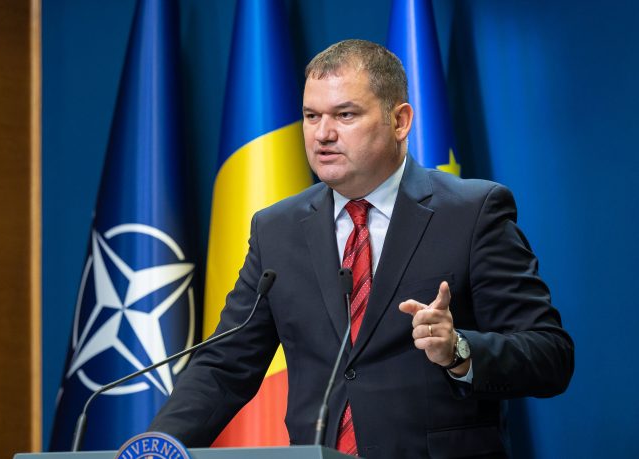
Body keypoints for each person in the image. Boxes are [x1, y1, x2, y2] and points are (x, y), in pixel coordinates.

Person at [149, 39, 574, 458]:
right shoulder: (276, 229)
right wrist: (152, 448)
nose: (323, 134)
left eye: (345, 115)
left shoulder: (471, 213)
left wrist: (458, 350)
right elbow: (224, 365)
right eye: (311, 116)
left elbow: (549, 355)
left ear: (400, 121)